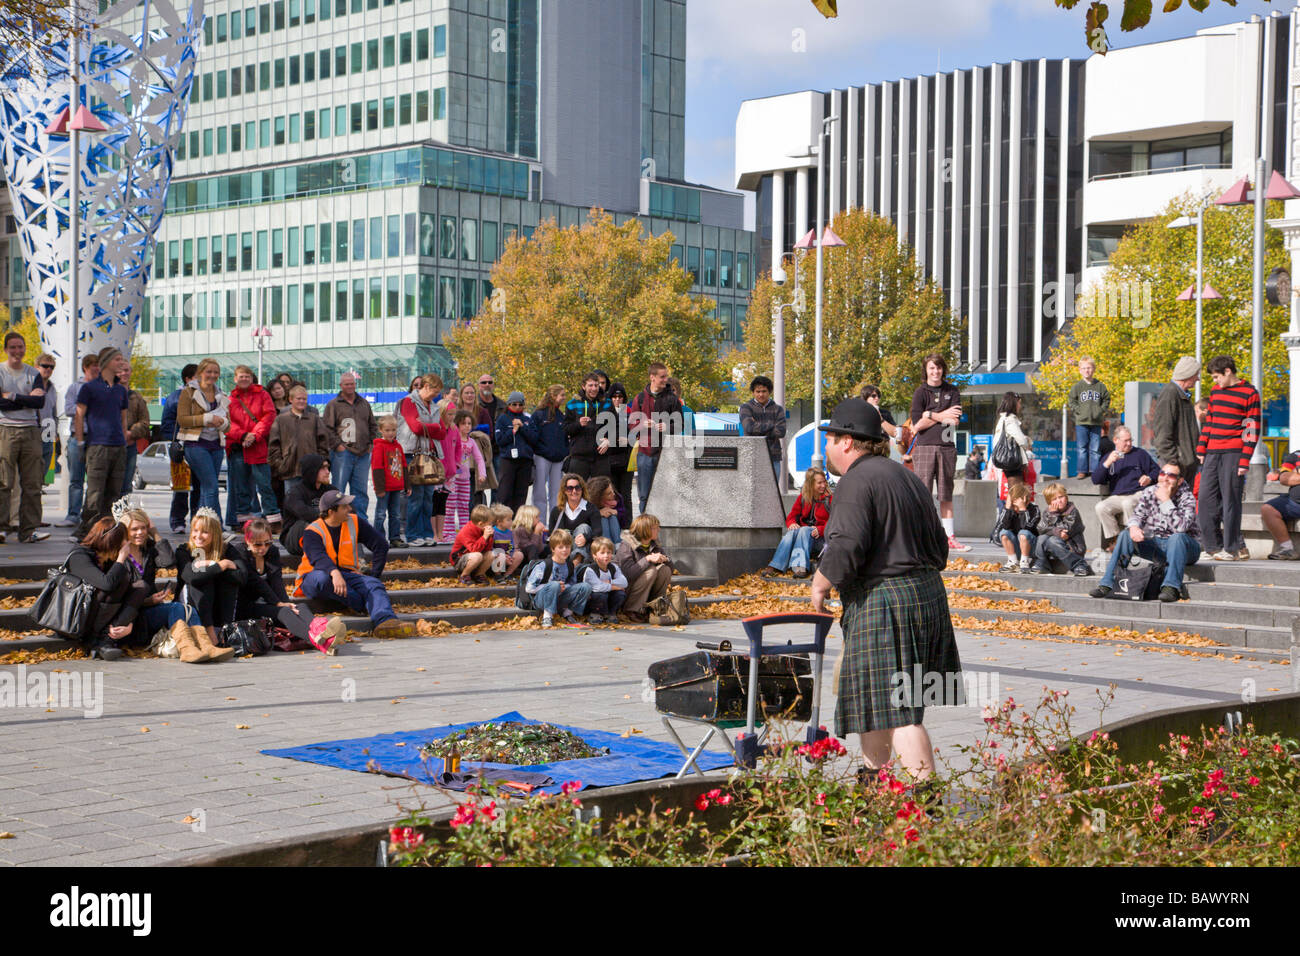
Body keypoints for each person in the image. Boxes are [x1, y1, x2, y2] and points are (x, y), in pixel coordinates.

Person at [809, 398, 962, 782]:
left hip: (884, 601)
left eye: (830, 438)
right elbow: (940, 550)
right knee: (875, 704)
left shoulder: (856, 482)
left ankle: (924, 805)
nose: (826, 446)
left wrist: (818, 587)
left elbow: (845, 548)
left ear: (847, 441)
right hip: (925, 594)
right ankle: (873, 786)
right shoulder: (906, 477)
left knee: (901, 712)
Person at [293, 490, 405, 637]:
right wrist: (335, 573)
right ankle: (362, 604)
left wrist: (374, 575)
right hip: (313, 577)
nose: (349, 509)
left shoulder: (354, 521)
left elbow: (381, 545)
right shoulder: (312, 531)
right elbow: (318, 558)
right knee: (322, 578)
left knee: (374, 584)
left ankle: (386, 621)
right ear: (332, 511)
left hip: (346, 574)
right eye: (344, 506)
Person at [1090, 462, 1200, 603]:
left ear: (1180, 480)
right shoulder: (1149, 492)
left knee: (1176, 538)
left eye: (1171, 475)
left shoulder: (1187, 497)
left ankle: (1171, 587)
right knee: (1125, 534)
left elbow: (1181, 528)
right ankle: (1107, 583)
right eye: (1162, 473)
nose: (1165, 478)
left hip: (1186, 548)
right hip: (1157, 545)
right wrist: (1134, 527)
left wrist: (1166, 500)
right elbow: (1137, 515)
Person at [235, 517, 347, 654]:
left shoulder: (272, 552)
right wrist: (278, 604)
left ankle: (322, 631)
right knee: (284, 611)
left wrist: (286, 603)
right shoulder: (239, 552)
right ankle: (320, 641)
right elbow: (256, 582)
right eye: (257, 545)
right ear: (247, 541)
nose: (263, 548)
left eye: (267, 543)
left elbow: (277, 581)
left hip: (267, 602)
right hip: (246, 606)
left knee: (299, 607)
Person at [114, 504, 207, 659]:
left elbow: (168, 561)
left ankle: (205, 646)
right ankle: (189, 649)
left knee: (186, 609)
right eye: (134, 529)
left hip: (148, 610)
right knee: (176, 608)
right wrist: (148, 601)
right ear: (125, 532)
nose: (140, 533)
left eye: (143, 528)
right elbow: (120, 597)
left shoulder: (148, 549)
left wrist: (155, 532)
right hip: (130, 618)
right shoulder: (119, 555)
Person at [1196, 355, 1261, 562]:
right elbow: (1210, 422)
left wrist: (1245, 459)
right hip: (1212, 452)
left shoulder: (1250, 393)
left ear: (1228, 372)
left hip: (1234, 452)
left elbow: (1251, 428)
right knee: (1205, 499)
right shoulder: (1216, 392)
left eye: (1217, 377)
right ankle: (1211, 547)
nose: (1215, 381)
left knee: (1231, 501)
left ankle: (1231, 549)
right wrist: (1201, 447)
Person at [908, 352, 969, 552]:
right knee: (923, 494)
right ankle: (922, 536)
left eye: (939, 367)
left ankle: (949, 536)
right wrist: (941, 414)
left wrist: (931, 414)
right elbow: (917, 425)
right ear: (926, 371)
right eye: (932, 368)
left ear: (943, 369)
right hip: (924, 447)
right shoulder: (920, 393)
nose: (936, 371)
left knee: (946, 494)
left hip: (947, 447)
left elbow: (954, 420)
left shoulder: (952, 390)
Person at [65, 517, 143, 660]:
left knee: (140, 587)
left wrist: (129, 623)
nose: (126, 543)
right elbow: (106, 584)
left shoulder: (105, 556)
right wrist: (120, 559)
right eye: (123, 540)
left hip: (96, 613)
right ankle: (96, 641)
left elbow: (135, 579)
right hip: (74, 616)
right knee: (114, 584)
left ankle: (107, 637)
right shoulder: (80, 556)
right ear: (111, 541)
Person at [74, 348, 130, 539]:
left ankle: (107, 531)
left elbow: (123, 419)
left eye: (122, 359)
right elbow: (79, 415)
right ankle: (85, 531)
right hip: (97, 446)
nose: (121, 363)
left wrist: (124, 441)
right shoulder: (89, 388)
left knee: (114, 492)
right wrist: (81, 442)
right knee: (95, 493)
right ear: (106, 362)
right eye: (117, 359)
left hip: (118, 446)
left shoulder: (121, 390)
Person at [0, 331, 50, 542]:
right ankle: (2, 528)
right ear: (5, 349)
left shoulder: (33, 373)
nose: (17, 351)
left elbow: (39, 402)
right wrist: (26, 399)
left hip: (31, 431)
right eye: (13, 347)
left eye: (20, 347)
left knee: (32, 484)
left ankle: (28, 530)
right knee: (4, 482)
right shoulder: (1, 371)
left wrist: (11, 396)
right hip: (5, 430)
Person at [173, 509, 244, 658]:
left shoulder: (227, 549)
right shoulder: (184, 550)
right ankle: (210, 635)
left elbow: (242, 575)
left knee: (226, 580)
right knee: (201, 580)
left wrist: (210, 566)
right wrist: (219, 565)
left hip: (217, 603)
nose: (198, 536)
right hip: (189, 602)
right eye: (195, 530)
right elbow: (190, 576)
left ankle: (225, 632)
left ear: (215, 534)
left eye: (205, 532)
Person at [226, 364, 279, 530]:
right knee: (241, 487)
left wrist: (255, 435)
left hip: (257, 446)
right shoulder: (230, 399)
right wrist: (242, 435)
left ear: (251, 378)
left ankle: (273, 520)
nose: (244, 379)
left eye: (247, 376)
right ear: (235, 379)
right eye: (241, 376)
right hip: (238, 446)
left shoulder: (262, 394)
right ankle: (244, 521)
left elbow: (269, 415)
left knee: (264, 485)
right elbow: (227, 422)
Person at [396, 374, 447, 547]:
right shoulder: (408, 402)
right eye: (434, 391)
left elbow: (443, 432)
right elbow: (415, 427)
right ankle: (412, 534)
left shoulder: (433, 406)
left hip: (429, 454)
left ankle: (426, 533)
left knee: (428, 498)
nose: (436, 395)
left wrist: (426, 426)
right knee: (415, 497)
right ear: (425, 386)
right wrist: (433, 427)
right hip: (413, 453)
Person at [1090, 425, 1159, 550]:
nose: (1129, 443)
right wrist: (1108, 463)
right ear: (1116, 440)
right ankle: (1116, 541)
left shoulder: (1140, 454)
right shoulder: (1108, 456)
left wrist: (1148, 477)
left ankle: (1131, 540)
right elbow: (1096, 479)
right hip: (1117, 496)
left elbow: (1157, 471)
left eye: (1130, 440)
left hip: (1137, 493)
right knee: (1101, 507)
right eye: (1125, 441)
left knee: (1128, 503)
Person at [175, 357, 228, 519]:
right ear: (200, 373)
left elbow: (229, 425)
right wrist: (206, 419)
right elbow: (182, 419)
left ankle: (201, 525)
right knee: (211, 487)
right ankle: (216, 527)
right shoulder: (188, 392)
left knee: (207, 489)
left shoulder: (222, 394)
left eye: (216, 372)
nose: (212, 375)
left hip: (217, 445)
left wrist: (222, 422)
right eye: (209, 371)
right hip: (195, 444)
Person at [322, 372, 378, 523]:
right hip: (343, 453)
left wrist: (371, 443)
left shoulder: (364, 403)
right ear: (341, 386)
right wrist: (338, 446)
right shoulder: (333, 404)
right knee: (338, 490)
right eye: (347, 384)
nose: (350, 386)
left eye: (352, 383)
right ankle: (336, 520)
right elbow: (327, 428)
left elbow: (373, 424)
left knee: (360, 491)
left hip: (363, 453)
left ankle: (360, 522)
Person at [629, 362, 683, 515]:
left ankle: (663, 528)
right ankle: (643, 530)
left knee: (666, 494)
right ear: (652, 377)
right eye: (662, 377)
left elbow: (680, 425)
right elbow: (632, 425)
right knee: (644, 494)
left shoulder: (672, 400)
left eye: (666, 376)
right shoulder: (639, 398)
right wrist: (643, 424)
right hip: (645, 453)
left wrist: (667, 427)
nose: (666, 379)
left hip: (665, 453)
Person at [763, 467, 832, 578]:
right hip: (803, 540)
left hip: (821, 541)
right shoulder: (803, 498)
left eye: (824, 482)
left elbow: (836, 522)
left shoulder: (830, 499)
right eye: (819, 483)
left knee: (804, 529)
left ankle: (800, 566)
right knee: (791, 532)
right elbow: (791, 517)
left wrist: (821, 529)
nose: (823, 485)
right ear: (810, 484)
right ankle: (776, 566)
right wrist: (792, 524)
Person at [56, 353, 100, 528]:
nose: (96, 369)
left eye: (98, 365)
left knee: (95, 480)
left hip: (97, 438)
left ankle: (90, 515)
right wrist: (84, 407)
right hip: (77, 436)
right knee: (76, 479)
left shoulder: (102, 387)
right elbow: (68, 409)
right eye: (93, 366)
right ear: (85, 368)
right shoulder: (75, 387)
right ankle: (73, 514)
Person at [269, 383, 330, 506]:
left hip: (312, 471)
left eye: (304, 399)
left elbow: (323, 442)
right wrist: (280, 464)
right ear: (291, 399)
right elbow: (274, 445)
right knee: (292, 503)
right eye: (298, 398)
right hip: (290, 470)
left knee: (312, 503)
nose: (302, 401)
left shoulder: (314, 419)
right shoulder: (281, 419)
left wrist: (321, 462)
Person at [524, 528, 592, 629]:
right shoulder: (544, 565)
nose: (565, 550)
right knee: (554, 584)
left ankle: (567, 613)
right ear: (553, 549)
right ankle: (547, 616)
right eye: (560, 547)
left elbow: (572, 584)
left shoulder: (569, 565)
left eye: (567, 547)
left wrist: (564, 587)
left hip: (559, 598)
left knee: (585, 586)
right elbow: (529, 588)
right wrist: (551, 585)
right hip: (541, 600)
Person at [160, 364, 201, 533]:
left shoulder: (208, 396)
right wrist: (178, 439)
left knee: (200, 486)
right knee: (181, 486)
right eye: (198, 376)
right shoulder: (175, 397)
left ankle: (197, 520)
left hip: (201, 447)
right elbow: (167, 424)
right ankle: (177, 521)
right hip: (182, 446)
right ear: (188, 379)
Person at [1150, 356, 1201, 483]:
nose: (1198, 379)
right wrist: (1173, 461)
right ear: (1187, 374)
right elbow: (1162, 433)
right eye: (1196, 374)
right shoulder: (1170, 394)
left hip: (1183, 464)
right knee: (1171, 502)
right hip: (1176, 466)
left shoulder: (1180, 395)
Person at [615, 513, 674, 622]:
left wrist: (665, 559)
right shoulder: (627, 545)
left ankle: (654, 607)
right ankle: (631, 610)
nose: (659, 530)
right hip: (627, 590)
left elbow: (671, 568)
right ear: (645, 529)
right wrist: (647, 559)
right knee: (650, 571)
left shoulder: (654, 544)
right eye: (656, 528)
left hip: (646, 588)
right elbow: (628, 574)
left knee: (664, 570)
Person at [442, 408, 485, 542]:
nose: (467, 426)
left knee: (463, 507)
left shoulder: (471, 442)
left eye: (469, 423)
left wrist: (482, 474)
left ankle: (463, 532)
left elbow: (479, 458)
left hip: (465, 479)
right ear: (457, 424)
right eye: (463, 423)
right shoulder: (453, 438)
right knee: (449, 507)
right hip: (452, 479)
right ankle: (447, 533)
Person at [1030, 483, 1089, 575]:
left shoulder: (1072, 511)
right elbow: (1041, 528)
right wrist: (1055, 530)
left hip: (1073, 548)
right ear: (1049, 502)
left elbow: (1066, 529)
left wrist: (1054, 516)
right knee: (1041, 538)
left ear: (1066, 497)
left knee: (1052, 540)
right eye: (1054, 499)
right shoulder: (1048, 512)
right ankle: (1042, 564)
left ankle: (1079, 565)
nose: (1059, 501)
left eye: (1061, 497)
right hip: (1055, 549)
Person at [281, 454, 334, 555]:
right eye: (322, 468)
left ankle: (357, 561)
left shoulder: (330, 489)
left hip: (323, 533)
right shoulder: (295, 492)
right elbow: (305, 514)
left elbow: (349, 508)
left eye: (328, 467)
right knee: (309, 524)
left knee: (350, 519)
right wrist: (332, 515)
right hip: (295, 538)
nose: (327, 472)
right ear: (312, 471)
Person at [564, 372, 613, 479]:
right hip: (579, 457)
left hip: (601, 457)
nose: (594, 388)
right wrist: (578, 424)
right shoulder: (572, 404)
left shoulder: (607, 402)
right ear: (583, 386)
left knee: (601, 492)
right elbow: (566, 429)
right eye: (590, 385)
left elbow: (617, 426)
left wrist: (609, 440)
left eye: (596, 385)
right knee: (576, 491)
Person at [739, 375, 787, 484]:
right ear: (753, 392)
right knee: (751, 490)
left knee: (772, 491)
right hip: (752, 455)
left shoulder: (778, 409)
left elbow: (781, 431)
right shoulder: (746, 407)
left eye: (764, 391)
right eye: (758, 391)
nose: (761, 394)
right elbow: (749, 427)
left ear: (769, 391)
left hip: (773, 456)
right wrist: (771, 425)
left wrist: (757, 426)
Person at [1068, 356, 1110, 477]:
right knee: (1082, 447)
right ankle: (1082, 471)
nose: (1087, 370)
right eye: (1084, 368)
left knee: (1095, 449)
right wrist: (1078, 410)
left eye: (1089, 368)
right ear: (1080, 370)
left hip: (1096, 422)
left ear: (1094, 369)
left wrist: (1100, 411)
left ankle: (1094, 471)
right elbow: (1071, 400)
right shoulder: (1077, 386)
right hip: (1082, 422)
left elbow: (1106, 399)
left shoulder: (1100, 386)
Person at [495, 391, 537, 512]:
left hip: (525, 460)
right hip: (508, 460)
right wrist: (513, 431)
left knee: (521, 494)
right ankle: (502, 522)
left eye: (520, 404)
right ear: (509, 404)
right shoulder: (502, 418)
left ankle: (517, 523)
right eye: (514, 404)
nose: (517, 407)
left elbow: (534, 438)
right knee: (505, 493)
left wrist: (523, 427)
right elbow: (500, 440)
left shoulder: (528, 418)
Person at [530, 384, 568, 515]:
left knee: (557, 493)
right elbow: (534, 437)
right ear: (553, 396)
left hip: (558, 459)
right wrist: (542, 450)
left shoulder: (561, 415)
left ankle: (555, 524)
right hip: (542, 457)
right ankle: (539, 523)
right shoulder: (539, 414)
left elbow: (564, 437)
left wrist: (564, 452)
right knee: (539, 491)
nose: (564, 397)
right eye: (562, 395)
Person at [371, 414, 407, 547]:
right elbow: (377, 468)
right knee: (380, 514)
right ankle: (379, 538)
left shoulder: (398, 447)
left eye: (393, 430)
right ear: (381, 430)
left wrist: (406, 485)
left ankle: (395, 538)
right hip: (384, 488)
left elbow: (403, 466)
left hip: (396, 486)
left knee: (395, 514)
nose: (390, 433)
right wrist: (379, 488)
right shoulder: (379, 446)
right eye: (387, 430)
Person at [990, 482, 1039, 572]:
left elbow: (1027, 527)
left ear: (1027, 501)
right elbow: (1003, 526)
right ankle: (1013, 561)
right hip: (1017, 548)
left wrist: (1023, 509)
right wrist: (1007, 508)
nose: (1015, 509)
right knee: (1004, 533)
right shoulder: (1010, 510)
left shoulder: (1035, 510)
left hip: (1031, 549)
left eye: (1016, 506)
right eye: (1013, 505)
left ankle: (1024, 562)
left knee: (1023, 533)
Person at [119, 359, 151, 497]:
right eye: (120, 370)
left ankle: (123, 517)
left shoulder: (136, 397)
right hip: (110, 446)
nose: (124, 373)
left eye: (126, 370)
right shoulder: (106, 393)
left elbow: (145, 422)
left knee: (126, 487)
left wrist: (131, 433)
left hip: (130, 445)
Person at [549, 472, 596, 563]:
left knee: (583, 527)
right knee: (563, 533)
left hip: (584, 548)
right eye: (570, 488)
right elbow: (552, 534)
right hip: (564, 548)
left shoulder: (591, 508)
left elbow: (598, 531)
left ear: (582, 490)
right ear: (564, 491)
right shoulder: (557, 510)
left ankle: (575, 563)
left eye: (577, 488)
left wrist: (585, 537)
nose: (574, 491)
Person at [1261, 450, 1300, 559]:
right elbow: (1284, 478)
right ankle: (1287, 549)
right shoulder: (1296, 455)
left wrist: (1296, 475)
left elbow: (1290, 478)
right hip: (1294, 503)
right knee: (1268, 509)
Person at [604, 382, 636, 511]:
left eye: (620, 397)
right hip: (610, 460)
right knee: (612, 495)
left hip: (626, 460)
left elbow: (636, 435)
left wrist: (628, 439)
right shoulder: (605, 414)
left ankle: (627, 525)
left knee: (626, 494)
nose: (617, 400)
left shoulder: (630, 414)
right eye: (614, 397)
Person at [582, 536, 628, 624]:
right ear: (594, 555)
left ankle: (610, 613)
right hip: (592, 600)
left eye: (609, 552)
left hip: (607, 598)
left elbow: (624, 582)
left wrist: (610, 582)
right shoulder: (591, 569)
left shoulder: (613, 567)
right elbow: (598, 587)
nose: (606, 556)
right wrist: (616, 587)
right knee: (600, 595)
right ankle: (595, 614)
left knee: (620, 594)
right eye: (602, 553)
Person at [450, 503, 494, 584]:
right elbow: (474, 549)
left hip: (474, 558)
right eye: (490, 523)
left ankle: (479, 575)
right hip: (459, 559)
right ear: (481, 523)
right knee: (477, 555)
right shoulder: (467, 530)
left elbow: (488, 549)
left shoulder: (483, 530)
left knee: (491, 554)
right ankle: (464, 575)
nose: (491, 525)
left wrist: (489, 537)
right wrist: (484, 537)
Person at [992, 391, 1031, 481]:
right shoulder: (1010, 420)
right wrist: (1026, 441)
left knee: (1014, 489)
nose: (1020, 406)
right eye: (1019, 403)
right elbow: (1022, 441)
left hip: (1006, 458)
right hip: (1013, 459)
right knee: (1016, 489)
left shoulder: (1002, 418)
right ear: (1014, 403)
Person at [584, 475, 626, 545]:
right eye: (609, 493)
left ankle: (617, 545)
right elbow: (584, 519)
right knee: (603, 518)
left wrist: (617, 512)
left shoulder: (617, 498)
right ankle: (606, 545)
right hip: (595, 534)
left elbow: (624, 522)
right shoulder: (588, 503)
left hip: (615, 530)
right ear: (599, 496)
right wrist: (597, 514)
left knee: (612, 517)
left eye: (612, 490)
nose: (613, 494)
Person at [35, 353, 57, 482]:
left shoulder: (52, 387)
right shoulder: (29, 384)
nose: (48, 369)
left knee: (43, 472)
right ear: (36, 367)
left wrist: (55, 431)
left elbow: (54, 411)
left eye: (51, 367)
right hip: (32, 432)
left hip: (48, 433)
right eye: (45, 366)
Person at [488, 503, 524, 578]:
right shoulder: (493, 532)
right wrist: (503, 556)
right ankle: (497, 575)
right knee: (500, 554)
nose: (511, 521)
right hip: (495, 558)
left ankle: (507, 574)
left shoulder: (510, 532)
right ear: (499, 522)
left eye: (511, 519)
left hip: (506, 556)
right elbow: (490, 548)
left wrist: (509, 555)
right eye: (508, 520)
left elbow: (511, 546)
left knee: (519, 555)